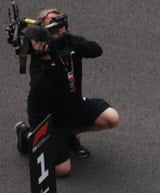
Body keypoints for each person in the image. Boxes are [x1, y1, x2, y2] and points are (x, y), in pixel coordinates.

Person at [15, 8, 119, 177]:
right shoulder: (40, 56)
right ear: (43, 31)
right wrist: (47, 62)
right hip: (48, 116)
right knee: (62, 170)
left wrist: (71, 43)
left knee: (111, 118)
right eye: (53, 26)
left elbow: (96, 50)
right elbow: (40, 92)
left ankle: (70, 133)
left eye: (61, 24)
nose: (60, 29)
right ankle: (27, 136)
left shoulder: (70, 43)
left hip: (73, 106)